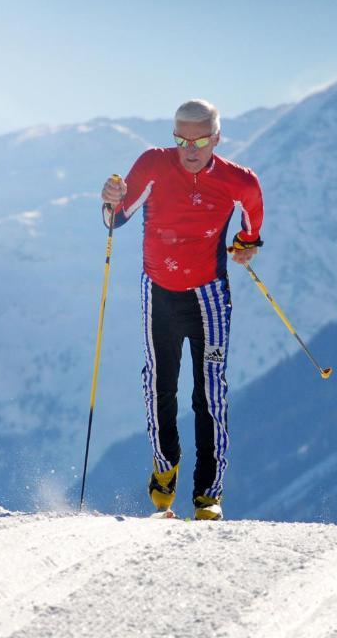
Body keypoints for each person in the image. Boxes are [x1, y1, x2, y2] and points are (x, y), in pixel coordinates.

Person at [101, 99, 263, 520]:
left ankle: (208, 495)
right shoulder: (153, 165)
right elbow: (115, 219)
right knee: (160, 384)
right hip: (158, 292)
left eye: (201, 140)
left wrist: (246, 247)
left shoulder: (237, 181)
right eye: (181, 139)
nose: (190, 149)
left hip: (208, 298)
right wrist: (109, 199)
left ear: (217, 138)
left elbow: (252, 224)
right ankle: (164, 465)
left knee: (209, 391)